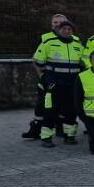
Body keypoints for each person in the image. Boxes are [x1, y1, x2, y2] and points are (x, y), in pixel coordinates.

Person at [23, 13, 77, 139]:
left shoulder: (75, 39)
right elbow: (36, 58)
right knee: (44, 105)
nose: (58, 25)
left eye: (61, 22)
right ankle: (36, 129)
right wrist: (41, 75)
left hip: (67, 80)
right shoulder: (45, 38)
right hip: (49, 79)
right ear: (51, 24)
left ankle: (61, 129)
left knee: (65, 106)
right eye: (55, 22)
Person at [33, 20, 85, 148]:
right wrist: (46, 77)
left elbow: (84, 62)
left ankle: (69, 135)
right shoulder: (49, 43)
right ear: (58, 30)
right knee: (51, 110)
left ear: (72, 32)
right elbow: (38, 61)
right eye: (64, 29)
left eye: (69, 29)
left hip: (72, 82)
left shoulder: (78, 45)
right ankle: (46, 137)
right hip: (54, 82)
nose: (66, 31)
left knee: (71, 110)